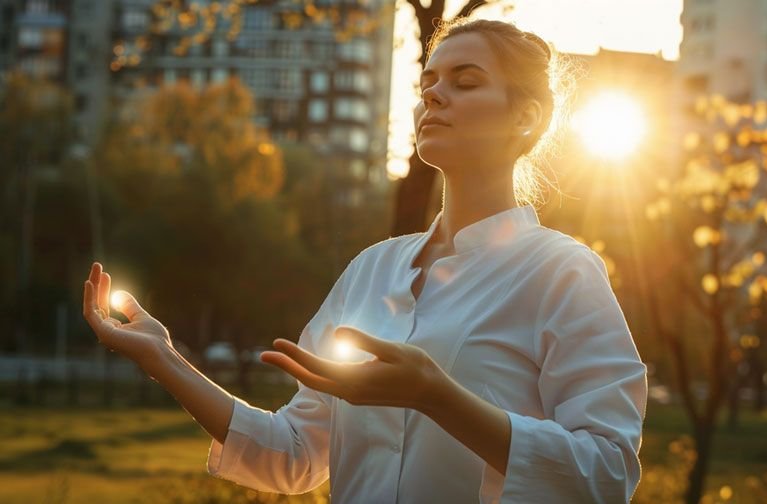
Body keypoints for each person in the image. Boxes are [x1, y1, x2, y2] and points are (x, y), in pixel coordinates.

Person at [83, 18, 647, 503]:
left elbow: (608, 474)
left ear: (528, 116)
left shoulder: (562, 272)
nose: (435, 95)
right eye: (428, 83)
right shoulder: (373, 270)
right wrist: (165, 359)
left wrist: (437, 396)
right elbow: (295, 454)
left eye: (465, 82)